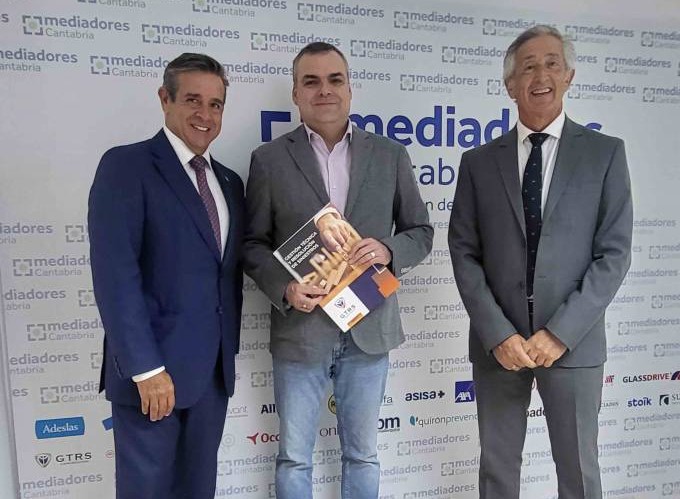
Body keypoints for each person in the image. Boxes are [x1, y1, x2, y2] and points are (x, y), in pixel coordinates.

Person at [448, 25, 633, 499]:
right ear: (510, 85)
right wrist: (498, 334)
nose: (541, 75)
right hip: (499, 347)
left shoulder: (605, 155)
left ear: (569, 76)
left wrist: (560, 333)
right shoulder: (478, 163)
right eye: (528, 67)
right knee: (497, 472)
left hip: (573, 344)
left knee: (578, 473)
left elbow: (613, 254)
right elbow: (464, 252)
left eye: (552, 64)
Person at [243, 42, 432, 499]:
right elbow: (252, 245)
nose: (324, 90)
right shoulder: (269, 159)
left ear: (350, 88)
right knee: (294, 458)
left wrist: (388, 250)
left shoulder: (390, 154)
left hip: (369, 326)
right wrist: (285, 288)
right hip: (301, 328)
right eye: (311, 81)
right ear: (296, 93)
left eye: (334, 80)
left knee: (362, 455)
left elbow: (421, 232)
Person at [88, 52, 244, 499]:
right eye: (193, 100)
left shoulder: (230, 183)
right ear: (165, 99)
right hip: (153, 378)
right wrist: (145, 369)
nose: (205, 114)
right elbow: (115, 275)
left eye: (215, 104)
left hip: (212, 377)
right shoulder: (127, 166)